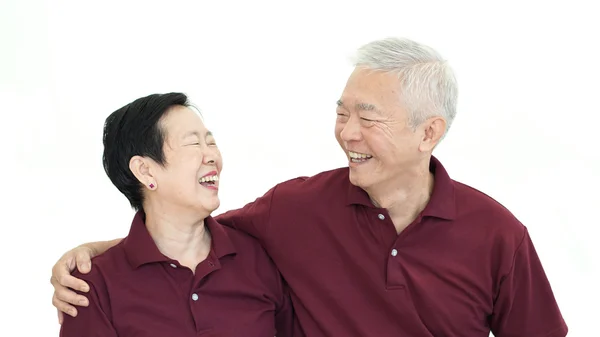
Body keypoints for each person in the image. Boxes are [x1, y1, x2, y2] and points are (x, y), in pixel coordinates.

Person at [51, 38, 568, 337]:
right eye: (341, 114)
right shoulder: (292, 210)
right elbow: (184, 234)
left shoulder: (498, 234)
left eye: (368, 118)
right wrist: (98, 254)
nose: (346, 133)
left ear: (428, 133)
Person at [57, 93, 299, 336]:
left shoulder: (256, 258)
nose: (213, 156)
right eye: (194, 144)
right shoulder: (93, 285)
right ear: (145, 171)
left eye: (211, 143)